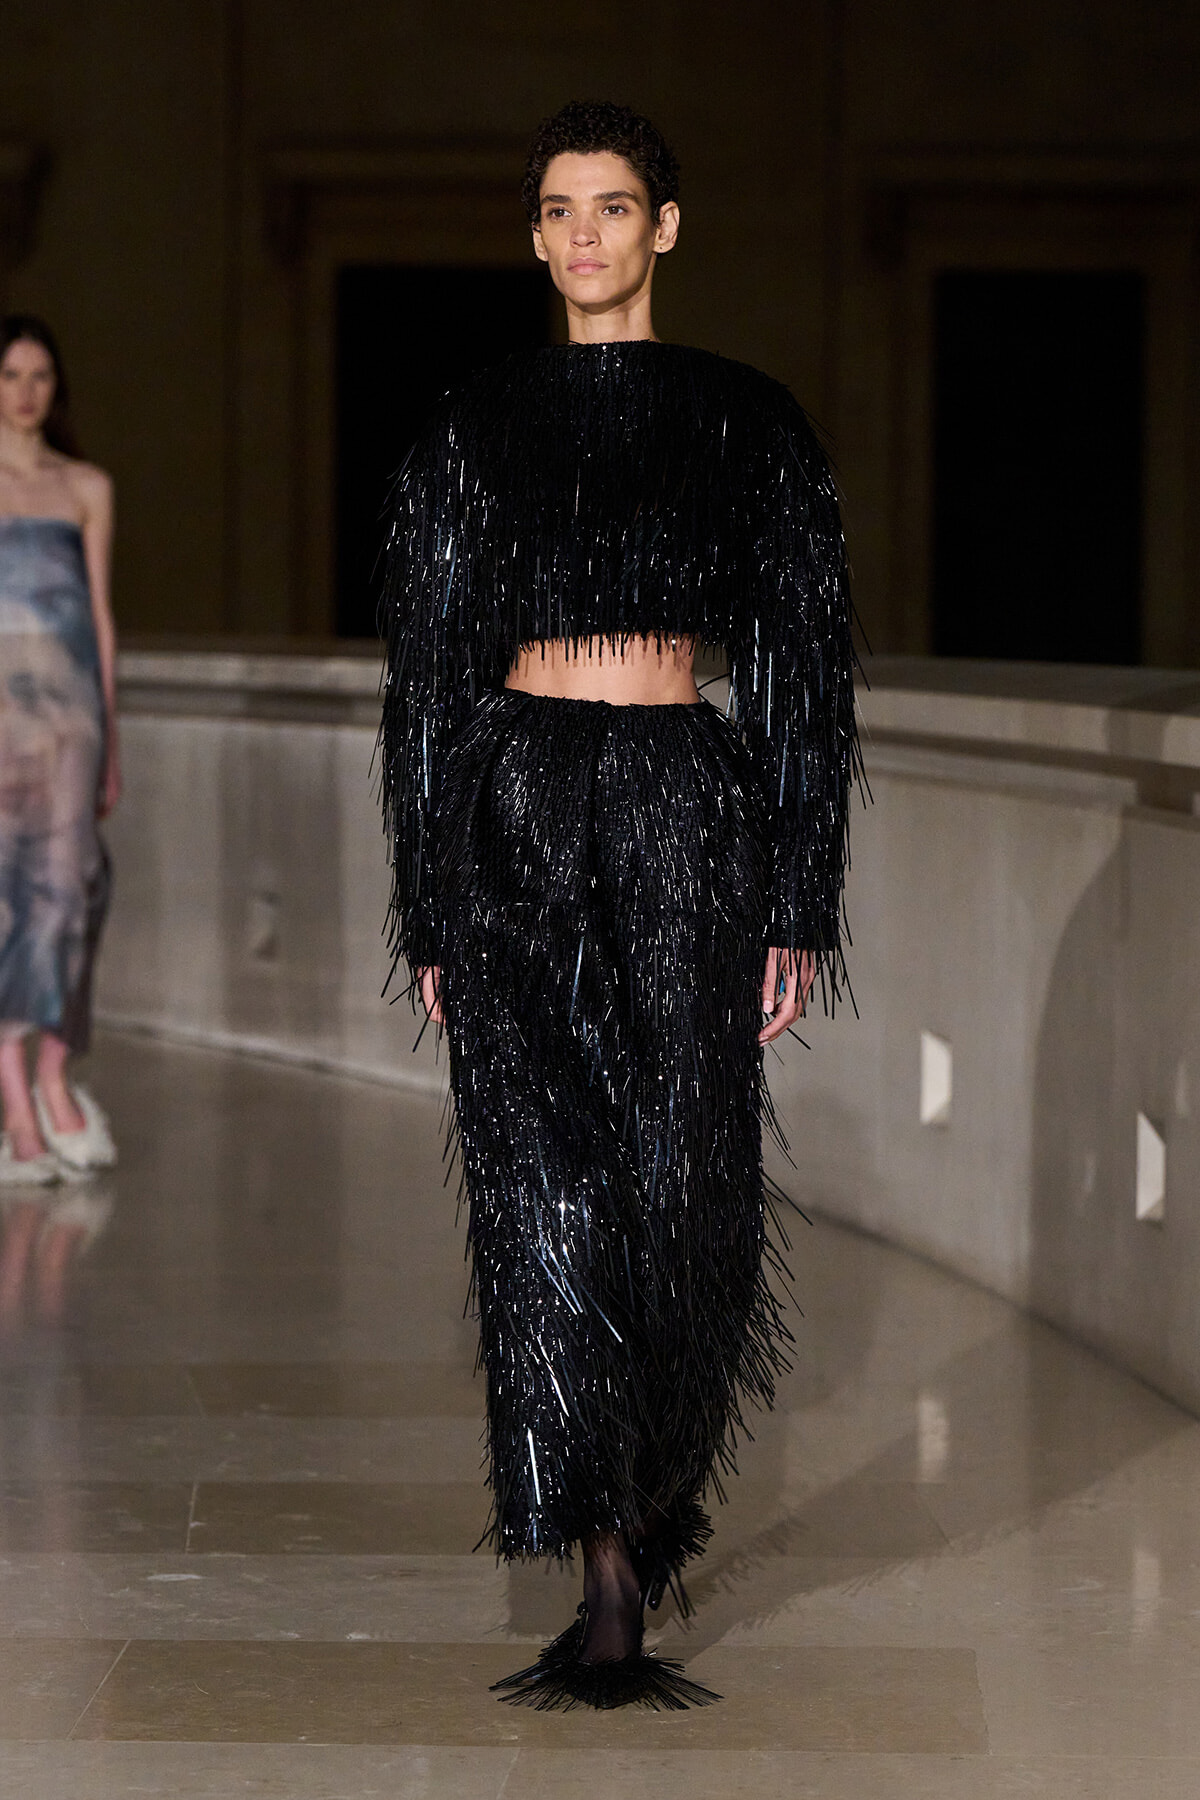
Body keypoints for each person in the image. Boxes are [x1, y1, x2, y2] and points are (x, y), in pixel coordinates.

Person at [380, 101, 859, 1711]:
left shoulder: (746, 420)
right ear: (534, 236)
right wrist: (430, 905)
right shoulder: (475, 426)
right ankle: (604, 1575)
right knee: (536, 1188)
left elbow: (804, 667)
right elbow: (425, 679)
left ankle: (649, 1506)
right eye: (557, 209)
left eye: (612, 205)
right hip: (515, 799)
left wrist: (801, 895)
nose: (582, 233)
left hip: (681, 805)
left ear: (665, 225)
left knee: (685, 1175)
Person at [0, 316, 119, 1184]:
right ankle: (17, 1094)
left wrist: (112, 735)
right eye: (10, 375)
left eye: (39, 376)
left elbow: (101, 618)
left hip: (72, 719)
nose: (26, 392)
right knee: (8, 898)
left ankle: (48, 1068)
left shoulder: (86, 486)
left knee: (71, 890)